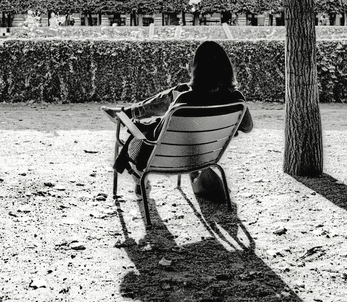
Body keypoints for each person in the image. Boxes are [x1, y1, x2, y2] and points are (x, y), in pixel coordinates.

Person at [106, 41, 254, 195]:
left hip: (166, 158)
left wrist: (142, 125)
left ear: (196, 69)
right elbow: (247, 127)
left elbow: (157, 134)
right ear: (227, 68)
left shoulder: (185, 99)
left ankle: (128, 117)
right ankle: (129, 112)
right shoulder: (237, 100)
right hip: (207, 155)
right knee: (181, 92)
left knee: (150, 125)